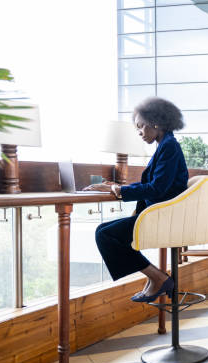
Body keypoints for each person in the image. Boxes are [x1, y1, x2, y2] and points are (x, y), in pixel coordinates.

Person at [84, 97, 189, 303]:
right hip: (161, 214)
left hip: (164, 218)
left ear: (156, 122)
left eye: (141, 126)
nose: (139, 132)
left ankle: (158, 277)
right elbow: (156, 185)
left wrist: (119, 190)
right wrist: (117, 188)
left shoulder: (169, 147)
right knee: (103, 231)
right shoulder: (166, 146)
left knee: (106, 235)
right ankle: (155, 278)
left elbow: (157, 188)